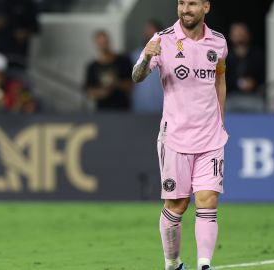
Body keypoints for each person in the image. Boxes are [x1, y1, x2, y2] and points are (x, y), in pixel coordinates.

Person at [132, 1, 227, 269]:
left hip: (210, 137)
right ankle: (172, 263)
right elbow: (136, 76)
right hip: (175, 137)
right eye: (181, 3)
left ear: (206, 7)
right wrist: (148, 57)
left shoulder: (218, 42)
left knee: (208, 199)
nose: (185, 8)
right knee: (177, 204)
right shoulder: (162, 39)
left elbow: (219, 77)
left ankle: (205, 264)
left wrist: (220, 119)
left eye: (192, 3)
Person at [84, 30, 134, 111]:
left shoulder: (123, 61)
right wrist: (101, 92)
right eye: (100, 43)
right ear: (96, 44)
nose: (103, 45)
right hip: (102, 111)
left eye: (105, 42)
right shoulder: (92, 66)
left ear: (109, 42)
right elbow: (89, 91)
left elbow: (131, 86)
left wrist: (116, 83)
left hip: (122, 109)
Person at [0, 0, 40, 69]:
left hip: (19, 53)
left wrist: (25, 33)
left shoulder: (28, 4)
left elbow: (36, 28)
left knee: (17, 77)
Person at [130, 20, 164, 113]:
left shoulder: (168, 54)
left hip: (162, 106)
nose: (150, 36)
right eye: (147, 32)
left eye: (153, 33)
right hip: (140, 105)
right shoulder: (135, 55)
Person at [226, 22, 265, 96]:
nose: (240, 36)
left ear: (248, 35)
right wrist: (238, 83)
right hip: (231, 96)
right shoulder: (226, 56)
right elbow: (222, 80)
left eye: (242, 34)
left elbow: (263, 77)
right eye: (237, 34)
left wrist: (253, 83)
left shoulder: (257, 55)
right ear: (231, 36)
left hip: (255, 95)